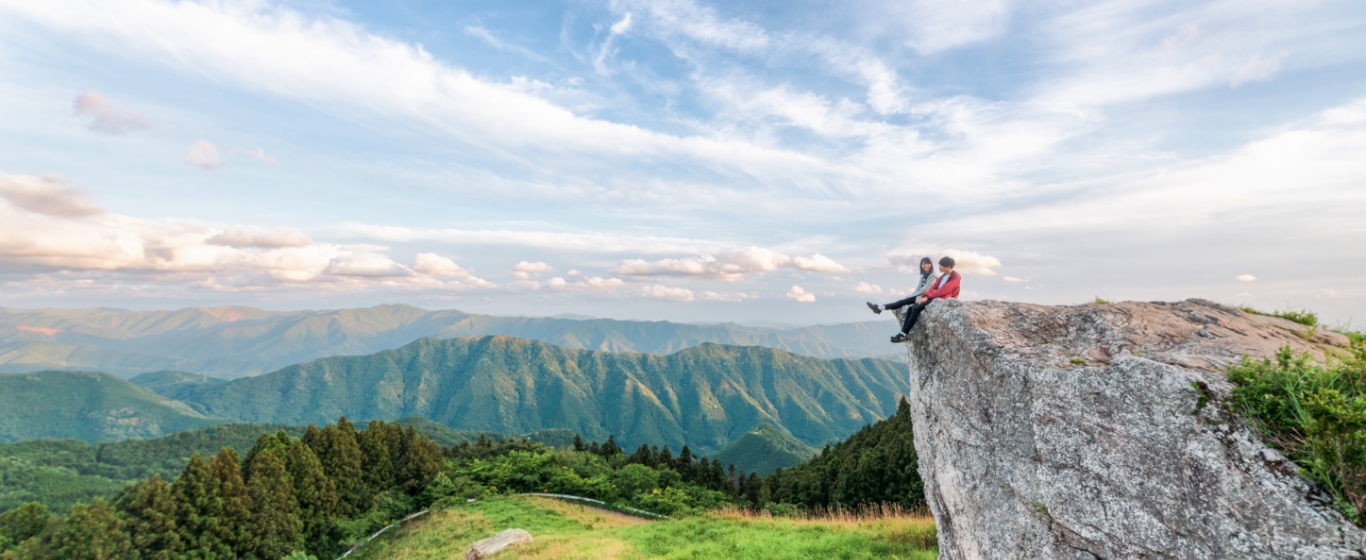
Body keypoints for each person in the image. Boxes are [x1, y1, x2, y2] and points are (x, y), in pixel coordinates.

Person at [870, 256, 960, 343]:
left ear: (947, 266)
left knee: (915, 308)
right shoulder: (942, 277)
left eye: (941, 265)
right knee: (910, 308)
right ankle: (903, 334)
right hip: (935, 298)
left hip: (942, 300)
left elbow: (944, 290)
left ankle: (903, 333)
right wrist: (925, 297)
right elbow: (934, 289)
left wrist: (927, 297)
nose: (939, 267)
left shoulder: (955, 277)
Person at [866, 257, 936, 318]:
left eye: (927, 263)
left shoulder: (933, 276)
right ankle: (880, 307)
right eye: (923, 264)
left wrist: (911, 296)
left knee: (901, 302)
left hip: (924, 298)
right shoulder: (923, 275)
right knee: (901, 302)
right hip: (918, 296)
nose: (926, 265)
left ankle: (879, 307)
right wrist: (911, 295)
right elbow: (918, 288)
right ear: (921, 265)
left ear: (931, 265)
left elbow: (925, 290)